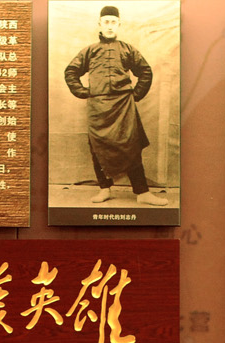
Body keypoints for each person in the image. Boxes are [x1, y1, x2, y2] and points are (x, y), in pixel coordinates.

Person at [63, 6, 168, 206]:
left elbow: (145, 71)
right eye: (106, 22)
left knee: (132, 147)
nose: (110, 26)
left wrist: (135, 95)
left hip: (123, 107)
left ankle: (142, 192)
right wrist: (84, 92)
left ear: (119, 24)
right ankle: (105, 189)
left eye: (113, 22)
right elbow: (71, 72)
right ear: (100, 24)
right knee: (98, 148)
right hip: (98, 108)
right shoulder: (89, 51)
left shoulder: (128, 49)